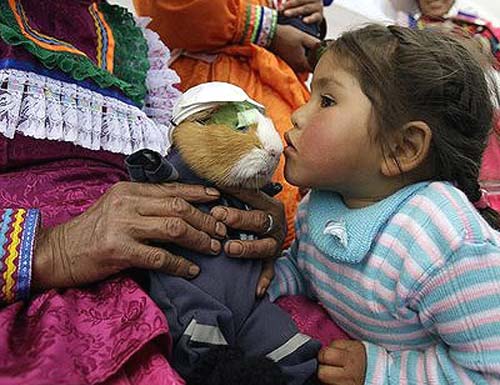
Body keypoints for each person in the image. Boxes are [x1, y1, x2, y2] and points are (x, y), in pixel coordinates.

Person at [0, 1, 286, 383]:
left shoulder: (132, 41)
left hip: (189, 288)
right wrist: (49, 248)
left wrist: (250, 223)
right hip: (49, 314)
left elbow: (178, 164)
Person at [267, 24, 500, 384]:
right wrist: (265, 279)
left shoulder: (444, 243)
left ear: (402, 148)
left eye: (326, 101)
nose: (298, 115)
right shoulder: (324, 199)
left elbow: (488, 369)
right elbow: (306, 271)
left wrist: (383, 372)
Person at [133, 0, 325, 246]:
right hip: (213, 83)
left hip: (280, 85)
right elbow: (171, 8)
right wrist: (268, 28)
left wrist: (310, 21)